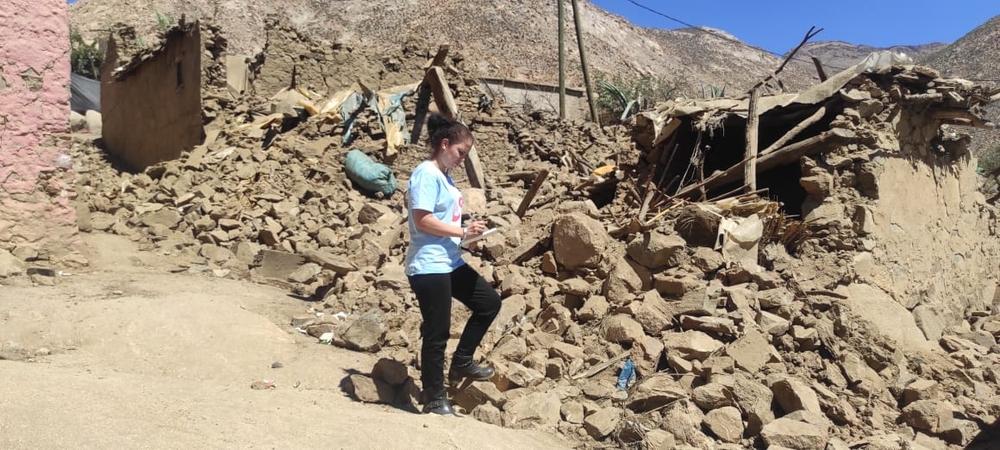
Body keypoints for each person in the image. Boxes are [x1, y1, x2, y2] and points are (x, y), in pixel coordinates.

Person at [404, 113, 502, 416]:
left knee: (489, 303)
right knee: (437, 331)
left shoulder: (445, 178)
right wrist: (461, 231)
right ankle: (433, 395)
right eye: (460, 152)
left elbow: (443, 221)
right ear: (444, 144)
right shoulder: (426, 174)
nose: (462, 159)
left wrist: (469, 232)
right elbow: (422, 219)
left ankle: (462, 361)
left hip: (449, 259)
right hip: (429, 265)